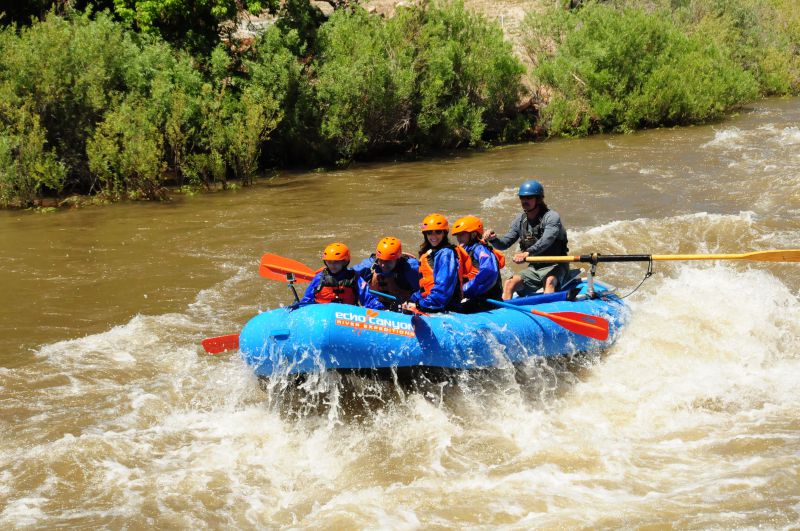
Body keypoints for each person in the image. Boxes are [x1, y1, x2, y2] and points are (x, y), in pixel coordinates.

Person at [484, 179, 569, 298]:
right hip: (534, 268)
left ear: (538, 199)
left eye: (529, 198)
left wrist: (527, 252)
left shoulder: (551, 217)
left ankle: (547, 313)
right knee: (509, 283)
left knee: (549, 281)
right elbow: (505, 244)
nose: (524, 201)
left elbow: (547, 240)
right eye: (522, 197)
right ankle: (505, 312)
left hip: (556, 266)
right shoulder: (520, 220)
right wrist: (494, 240)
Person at [402, 213, 469, 313]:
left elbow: (443, 291)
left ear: (444, 233)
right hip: (432, 304)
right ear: (425, 234)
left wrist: (419, 305)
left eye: (438, 232)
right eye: (429, 232)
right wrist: (412, 299)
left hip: (446, 307)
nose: (433, 236)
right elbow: (425, 287)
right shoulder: (432, 252)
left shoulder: (446, 254)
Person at [300, 242, 382, 308]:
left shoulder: (354, 278)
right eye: (329, 262)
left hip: (346, 317)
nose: (332, 265)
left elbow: (368, 298)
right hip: (322, 316)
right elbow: (306, 300)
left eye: (336, 262)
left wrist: (378, 307)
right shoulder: (319, 278)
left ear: (344, 262)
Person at [451, 215, 505, 312]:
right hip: (474, 298)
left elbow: (489, 271)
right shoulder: (464, 250)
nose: (459, 238)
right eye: (457, 235)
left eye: (462, 234)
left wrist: (465, 289)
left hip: (487, 301)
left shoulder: (479, 250)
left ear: (473, 234)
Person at [353, 237, 420, 311]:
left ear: (397, 260)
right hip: (376, 306)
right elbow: (350, 274)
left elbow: (427, 289)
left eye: (388, 261)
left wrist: (413, 301)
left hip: (403, 309)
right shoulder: (369, 265)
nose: (383, 265)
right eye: (381, 260)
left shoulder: (411, 269)